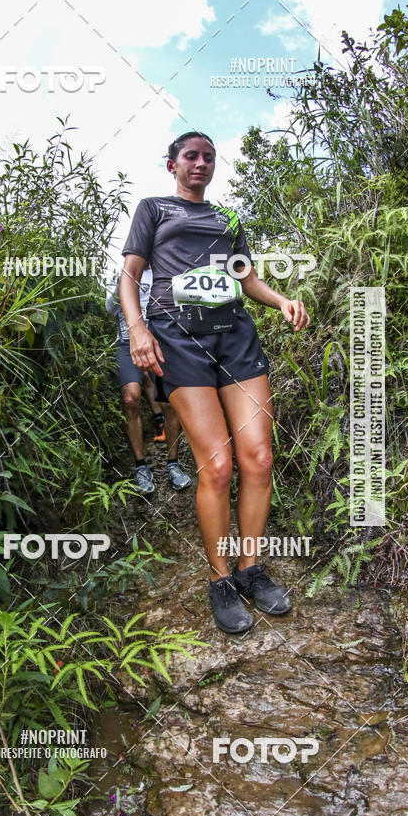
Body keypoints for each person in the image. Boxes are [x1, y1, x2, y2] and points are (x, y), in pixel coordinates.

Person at [119, 131, 311, 633]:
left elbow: (246, 278)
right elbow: (131, 274)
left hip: (235, 337)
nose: (201, 163)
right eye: (191, 156)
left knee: (259, 457)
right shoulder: (154, 209)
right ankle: (219, 578)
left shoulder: (227, 219)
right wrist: (138, 328)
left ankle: (250, 568)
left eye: (208, 156)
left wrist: (281, 301)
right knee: (218, 465)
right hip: (178, 339)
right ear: (172, 165)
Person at [106, 266, 192, 495]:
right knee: (130, 398)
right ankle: (141, 467)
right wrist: (119, 285)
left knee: (169, 402)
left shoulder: (162, 270)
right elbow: (109, 308)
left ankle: (173, 464)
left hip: (159, 341)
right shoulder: (122, 274)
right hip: (127, 343)